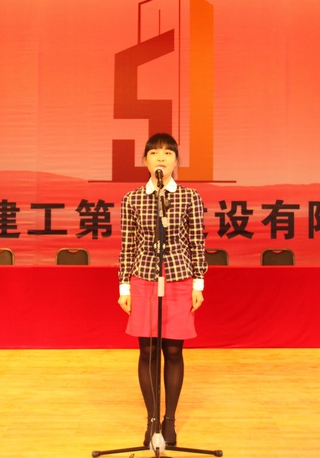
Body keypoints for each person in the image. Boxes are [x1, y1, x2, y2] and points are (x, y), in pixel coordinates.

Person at [117, 132, 206, 448]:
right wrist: (124, 285)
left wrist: (198, 282)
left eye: (168, 153)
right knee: (148, 350)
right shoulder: (132, 198)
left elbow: (197, 241)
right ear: (145, 160)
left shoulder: (189, 197)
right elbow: (127, 244)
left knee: (173, 350)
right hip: (144, 277)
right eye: (154, 152)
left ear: (176, 161)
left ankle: (170, 420)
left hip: (179, 278)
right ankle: (152, 419)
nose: (161, 157)